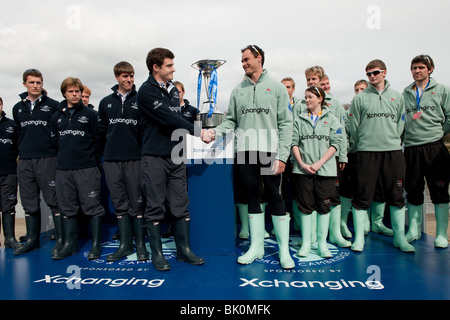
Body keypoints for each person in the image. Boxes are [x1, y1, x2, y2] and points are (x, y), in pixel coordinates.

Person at [203, 45, 294, 269]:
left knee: (275, 197)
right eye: (241, 60)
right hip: (244, 152)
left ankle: (284, 251)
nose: (243, 63)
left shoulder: (277, 88)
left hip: (270, 152)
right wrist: (215, 131)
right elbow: (231, 121)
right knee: (252, 198)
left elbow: (286, 123)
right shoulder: (237, 90)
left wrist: (282, 156)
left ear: (259, 58)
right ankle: (256, 247)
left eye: (246, 59)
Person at [137, 47, 204, 271]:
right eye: (169, 65)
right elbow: (168, 119)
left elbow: (177, 117)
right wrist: (198, 131)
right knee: (155, 206)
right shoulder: (146, 91)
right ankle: (157, 253)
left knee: (180, 204)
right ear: (156, 67)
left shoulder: (174, 91)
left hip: (177, 155)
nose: (173, 69)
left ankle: (184, 251)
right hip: (154, 156)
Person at [346, 59, 414, 253]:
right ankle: (359, 238)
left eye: (375, 73)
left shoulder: (397, 97)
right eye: (368, 74)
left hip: (392, 152)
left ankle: (399, 237)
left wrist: (391, 139)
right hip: (367, 152)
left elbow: (401, 123)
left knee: (396, 195)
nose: (372, 77)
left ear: (384, 72)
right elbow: (354, 127)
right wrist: (367, 142)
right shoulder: (360, 98)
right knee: (362, 195)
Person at [292, 66, 350, 249]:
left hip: (325, 169)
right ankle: (308, 241)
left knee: (326, 204)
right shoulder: (299, 114)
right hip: (303, 169)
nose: (307, 99)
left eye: (311, 96)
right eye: (308, 80)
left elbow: (338, 140)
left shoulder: (333, 113)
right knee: (305, 205)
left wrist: (337, 158)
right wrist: (301, 163)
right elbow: (293, 141)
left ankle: (326, 241)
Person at [98, 61, 148, 261]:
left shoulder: (140, 101)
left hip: (134, 160)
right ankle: (125, 245)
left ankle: (141, 245)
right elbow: (101, 133)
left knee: (137, 203)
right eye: (125, 76)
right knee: (120, 203)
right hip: (111, 161)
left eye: (131, 76)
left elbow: (145, 132)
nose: (129, 80)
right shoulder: (105, 102)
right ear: (117, 77)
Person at [51, 77, 105, 260]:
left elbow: (98, 140)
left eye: (77, 91)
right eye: (70, 91)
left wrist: (88, 157)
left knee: (92, 206)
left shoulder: (91, 114)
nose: (75, 94)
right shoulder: (56, 116)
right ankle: (70, 244)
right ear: (64, 93)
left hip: (87, 168)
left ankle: (96, 245)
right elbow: (54, 142)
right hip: (63, 169)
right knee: (67, 208)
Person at [12, 69, 62, 255]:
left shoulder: (54, 106)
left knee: (53, 200)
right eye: (31, 82)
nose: (35, 85)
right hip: (25, 160)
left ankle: (61, 238)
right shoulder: (17, 107)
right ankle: (32, 239)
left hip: (47, 158)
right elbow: (19, 133)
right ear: (24, 84)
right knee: (29, 202)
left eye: (38, 82)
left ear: (42, 84)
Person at [403, 54, 450, 248]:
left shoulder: (442, 90)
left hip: (434, 147)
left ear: (430, 69)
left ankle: (440, 234)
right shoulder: (406, 92)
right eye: (414, 68)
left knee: (439, 190)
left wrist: (438, 133)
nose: (417, 71)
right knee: (413, 189)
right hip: (412, 148)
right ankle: (414, 229)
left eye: (421, 67)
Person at [340, 80, 392, 238]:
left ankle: (376, 222)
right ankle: (353, 223)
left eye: (362, 89)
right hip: (354, 155)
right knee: (355, 189)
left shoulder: (375, 108)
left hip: (373, 153)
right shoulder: (350, 112)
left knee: (378, 187)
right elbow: (346, 134)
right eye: (356, 89)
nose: (359, 92)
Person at [0, 97, 20, 249]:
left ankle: (9, 238)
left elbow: (19, 146)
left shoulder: (11, 125)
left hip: (9, 172)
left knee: (8, 206)